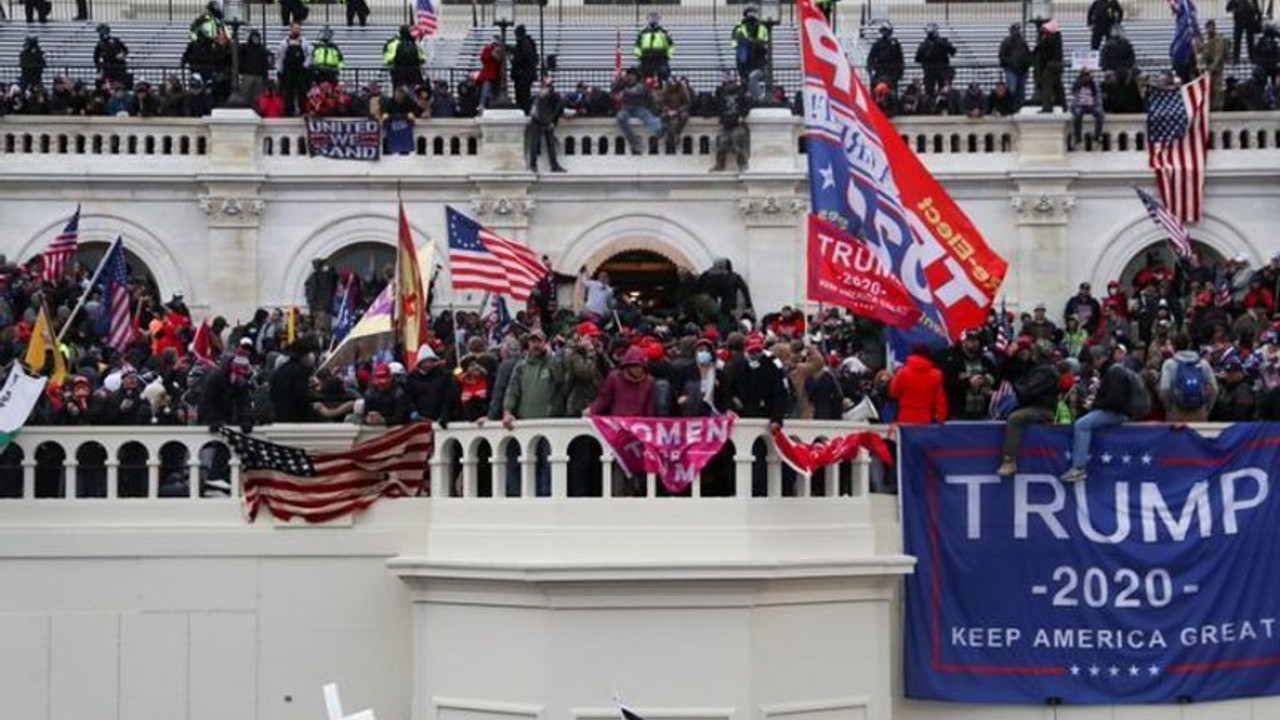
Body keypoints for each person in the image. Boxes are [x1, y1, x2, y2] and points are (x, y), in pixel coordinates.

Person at [1060, 360, 1148, 483]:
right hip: (1121, 411)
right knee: (1085, 422)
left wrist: (1094, 405)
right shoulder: (1116, 371)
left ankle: (1078, 468)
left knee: (1082, 424)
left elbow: (1115, 400)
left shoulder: (1115, 371)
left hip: (1119, 413)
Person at [502, 330, 559, 496]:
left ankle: (546, 497)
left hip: (548, 423)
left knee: (547, 463)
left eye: (539, 341)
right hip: (525, 424)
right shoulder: (521, 366)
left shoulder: (552, 363)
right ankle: (525, 497)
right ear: (528, 344)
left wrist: (551, 357)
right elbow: (512, 391)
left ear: (545, 343)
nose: (536, 345)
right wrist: (507, 411)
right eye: (533, 341)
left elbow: (561, 378)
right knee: (526, 463)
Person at [997, 341, 1060, 477]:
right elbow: (1011, 373)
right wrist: (1009, 358)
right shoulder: (1036, 368)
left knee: (1015, 419)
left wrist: (1017, 387)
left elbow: (1028, 391)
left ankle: (1009, 460)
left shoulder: (1046, 371)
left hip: (1044, 409)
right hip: (1033, 405)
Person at [1158, 334, 1218, 421]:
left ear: (1174, 346)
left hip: (1177, 412)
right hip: (1199, 412)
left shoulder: (1169, 364)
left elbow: (1165, 389)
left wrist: (1169, 408)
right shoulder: (1203, 363)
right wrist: (1207, 408)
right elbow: (1214, 389)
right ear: (1189, 345)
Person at [889, 345, 948, 423]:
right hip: (926, 418)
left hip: (905, 417)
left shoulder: (902, 373)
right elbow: (940, 400)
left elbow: (893, 393)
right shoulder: (936, 375)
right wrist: (941, 418)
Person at [406, 344, 457, 427]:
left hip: (438, 418)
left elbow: (448, 397)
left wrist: (444, 415)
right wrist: (413, 411)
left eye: (431, 361)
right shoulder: (411, 378)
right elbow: (409, 398)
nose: (429, 364)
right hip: (420, 420)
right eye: (426, 361)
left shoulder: (444, 376)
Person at [613, 69, 661, 156]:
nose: (630, 77)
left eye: (632, 75)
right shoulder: (623, 84)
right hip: (626, 109)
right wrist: (620, 81)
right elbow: (613, 90)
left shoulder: (641, 85)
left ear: (636, 76)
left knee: (650, 119)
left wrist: (624, 88)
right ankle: (634, 141)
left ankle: (663, 131)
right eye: (628, 75)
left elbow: (635, 92)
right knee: (620, 118)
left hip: (639, 108)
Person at [526, 79, 567, 173]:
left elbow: (559, 108)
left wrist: (553, 121)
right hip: (538, 120)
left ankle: (554, 165)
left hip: (547, 120)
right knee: (535, 143)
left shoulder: (554, 96)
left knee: (549, 144)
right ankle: (534, 165)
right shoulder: (538, 96)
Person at [711, 76, 750, 172]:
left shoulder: (741, 95)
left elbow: (746, 107)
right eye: (728, 84)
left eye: (731, 83)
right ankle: (720, 164)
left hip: (737, 124)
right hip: (726, 124)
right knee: (721, 142)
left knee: (738, 141)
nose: (729, 86)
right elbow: (718, 107)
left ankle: (742, 164)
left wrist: (742, 115)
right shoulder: (722, 96)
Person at [277, 23, 312, 117]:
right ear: (291, 29)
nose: (297, 30)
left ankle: (303, 110)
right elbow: (280, 57)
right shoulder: (284, 42)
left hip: (300, 71)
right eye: (295, 28)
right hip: (288, 71)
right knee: (288, 92)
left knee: (302, 91)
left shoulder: (304, 42)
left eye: (299, 28)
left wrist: (305, 66)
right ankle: (289, 111)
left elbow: (309, 55)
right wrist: (280, 70)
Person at [1196, 20, 1231, 111]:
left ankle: (1218, 107)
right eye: (1207, 28)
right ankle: (1210, 106)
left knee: (1217, 88)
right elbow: (1205, 53)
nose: (1208, 30)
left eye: (1210, 27)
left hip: (1217, 68)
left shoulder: (1218, 39)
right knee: (1209, 88)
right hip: (1209, 68)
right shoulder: (1208, 40)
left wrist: (1212, 67)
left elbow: (1218, 55)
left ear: (1214, 27)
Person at [732, 7, 770, 87]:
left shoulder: (762, 27)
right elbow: (734, 43)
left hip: (758, 55)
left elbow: (765, 40)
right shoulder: (739, 27)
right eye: (750, 13)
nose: (751, 16)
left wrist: (752, 41)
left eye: (753, 13)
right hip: (745, 57)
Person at [915, 23, 956, 95]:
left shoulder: (942, 41)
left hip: (942, 70)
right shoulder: (924, 44)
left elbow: (952, 51)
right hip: (929, 71)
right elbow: (917, 58)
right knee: (929, 91)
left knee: (943, 92)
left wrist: (942, 44)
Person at [998, 23, 1031, 110]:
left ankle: (1019, 107)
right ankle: (1011, 106)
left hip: (1022, 70)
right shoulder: (1006, 42)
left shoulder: (1023, 42)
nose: (1016, 32)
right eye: (1015, 30)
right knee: (1012, 90)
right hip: (1011, 70)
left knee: (1021, 91)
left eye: (1018, 30)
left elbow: (1027, 55)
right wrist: (1009, 63)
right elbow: (1002, 55)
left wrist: (1026, 66)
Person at [1034, 19, 1065, 112]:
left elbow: (1040, 48)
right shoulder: (1057, 37)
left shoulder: (1049, 39)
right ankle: (1062, 105)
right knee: (1058, 86)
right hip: (1057, 65)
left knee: (1047, 86)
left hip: (1050, 66)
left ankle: (1047, 106)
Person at [634, 12, 674, 82]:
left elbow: (671, 46)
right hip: (646, 58)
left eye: (655, 18)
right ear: (648, 19)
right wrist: (639, 55)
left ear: (658, 19)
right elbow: (637, 46)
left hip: (660, 58)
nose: (653, 20)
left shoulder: (663, 33)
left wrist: (668, 56)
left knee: (664, 73)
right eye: (651, 18)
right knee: (641, 75)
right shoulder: (643, 33)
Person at [658, 76, 692, 153]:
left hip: (679, 111)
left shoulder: (682, 90)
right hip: (668, 111)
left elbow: (687, 103)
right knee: (664, 117)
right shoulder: (665, 91)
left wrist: (678, 110)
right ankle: (670, 136)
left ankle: (675, 135)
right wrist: (667, 110)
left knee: (684, 117)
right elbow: (661, 103)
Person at [1070, 68, 1104, 144]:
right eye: (1086, 75)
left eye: (1088, 75)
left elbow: (1096, 96)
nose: (1087, 77)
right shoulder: (1077, 84)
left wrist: (1094, 104)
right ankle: (1077, 137)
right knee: (1077, 115)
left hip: (1091, 105)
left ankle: (1097, 135)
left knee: (1100, 114)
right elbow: (1074, 95)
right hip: (1080, 105)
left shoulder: (1093, 84)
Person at [384, 26, 424, 90]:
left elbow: (388, 60)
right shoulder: (414, 43)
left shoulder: (393, 43)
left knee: (399, 95)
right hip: (413, 75)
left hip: (398, 75)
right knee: (413, 95)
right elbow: (422, 59)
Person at [510, 25, 539, 114]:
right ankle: (524, 109)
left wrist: (513, 59)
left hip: (523, 74)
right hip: (526, 74)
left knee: (522, 94)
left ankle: (524, 110)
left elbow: (522, 58)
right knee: (524, 94)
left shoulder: (524, 44)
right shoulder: (528, 43)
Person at [238, 29, 271, 107]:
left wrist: (265, 75)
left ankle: (256, 109)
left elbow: (265, 64)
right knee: (246, 95)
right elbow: (240, 59)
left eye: (257, 37)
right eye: (254, 37)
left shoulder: (262, 49)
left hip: (258, 75)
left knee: (257, 97)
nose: (255, 39)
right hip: (248, 75)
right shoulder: (245, 48)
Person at [868, 23, 905, 91]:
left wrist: (900, 72)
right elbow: (871, 57)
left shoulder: (895, 44)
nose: (885, 33)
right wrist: (871, 68)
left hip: (892, 72)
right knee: (875, 88)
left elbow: (900, 59)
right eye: (883, 31)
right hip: (880, 71)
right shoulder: (878, 43)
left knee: (892, 92)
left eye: (886, 31)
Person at [477, 34, 505, 109]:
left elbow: (500, 60)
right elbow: (484, 58)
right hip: (489, 74)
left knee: (492, 92)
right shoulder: (489, 49)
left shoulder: (494, 49)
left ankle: (488, 105)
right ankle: (483, 104)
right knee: (486, 91)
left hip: (494, 74)